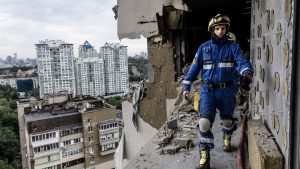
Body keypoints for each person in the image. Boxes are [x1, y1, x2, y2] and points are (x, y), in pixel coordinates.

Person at [182, 14, 253, 169]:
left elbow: (241, 61)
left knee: (227, 120)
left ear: (226, 29)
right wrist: (186, 86)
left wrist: (246, 70)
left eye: (223, 28)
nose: (220, 31)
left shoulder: (233, 48)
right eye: (217, 28)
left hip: (227, 91)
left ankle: (227, 134)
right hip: (207, 90)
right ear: (212, 30)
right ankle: (205, 155)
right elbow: (193, 69)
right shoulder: (204, 48)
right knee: (204, 122)